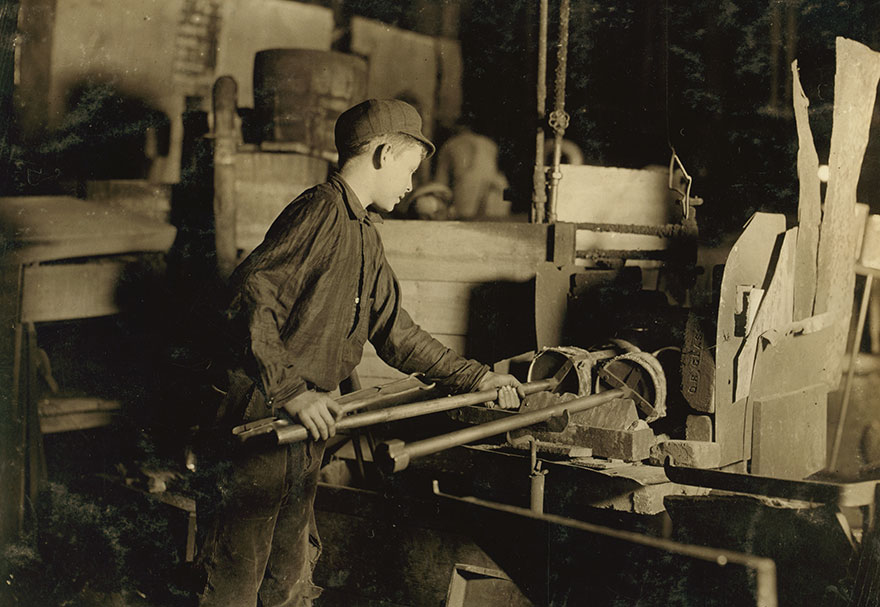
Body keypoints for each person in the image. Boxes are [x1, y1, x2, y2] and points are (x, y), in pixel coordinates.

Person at [196, 98, 523, 607]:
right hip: (263, 413)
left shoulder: (364, 232)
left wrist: (475, 378)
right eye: (410, 169)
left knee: (290, 574)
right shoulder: (321, 212)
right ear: (383, 153)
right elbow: (250, 295)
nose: (412, 185)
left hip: (308, 421)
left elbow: (397, 332)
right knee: (236, 576)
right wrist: (291, 392)